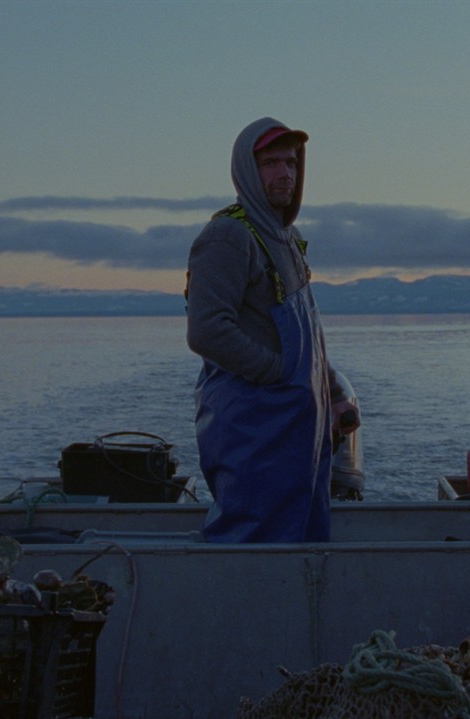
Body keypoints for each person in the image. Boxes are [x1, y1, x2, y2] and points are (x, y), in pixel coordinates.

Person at [185, 117, 359, 543]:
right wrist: (279, 375)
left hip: (300, 428)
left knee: (302, 533)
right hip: (252, 429)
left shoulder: (287, 237)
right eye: (270, 163)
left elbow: (309, 331)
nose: (285, 173)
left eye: (291, 163)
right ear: (247, 169)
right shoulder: (228, 236)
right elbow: (207, 330)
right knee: (250, 539)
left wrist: (332, 392)